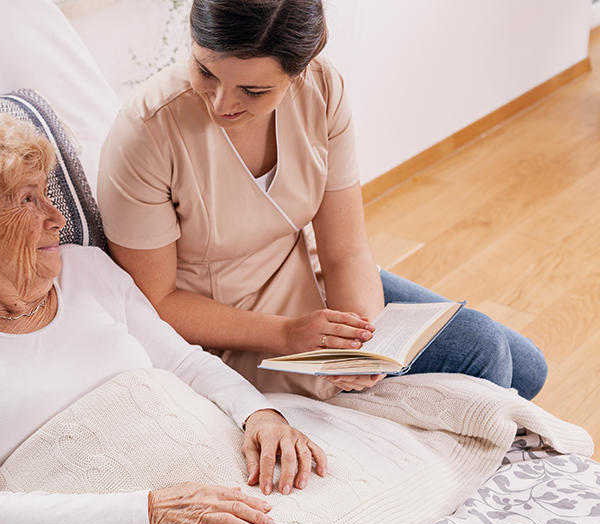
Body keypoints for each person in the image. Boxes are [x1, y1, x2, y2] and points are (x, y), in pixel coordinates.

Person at [0, 110, 327, 524]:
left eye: (46, 194)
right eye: (26, 201)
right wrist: (150, 515)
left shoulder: (88, 270)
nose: (57, 217)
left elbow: (183, 362)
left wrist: (261, 414)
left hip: (234, 492)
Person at [96, 0, 547, 401]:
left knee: (526, 368)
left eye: (253, 91)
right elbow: (156, 301)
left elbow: (345, 248)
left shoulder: (322, 89)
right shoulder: (147, 133)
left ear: (299, 72)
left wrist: (364, 343)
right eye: (206, 72)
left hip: (305, 283)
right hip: (221, 327)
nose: (220, 104)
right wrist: (289, 334)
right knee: (487, 357)